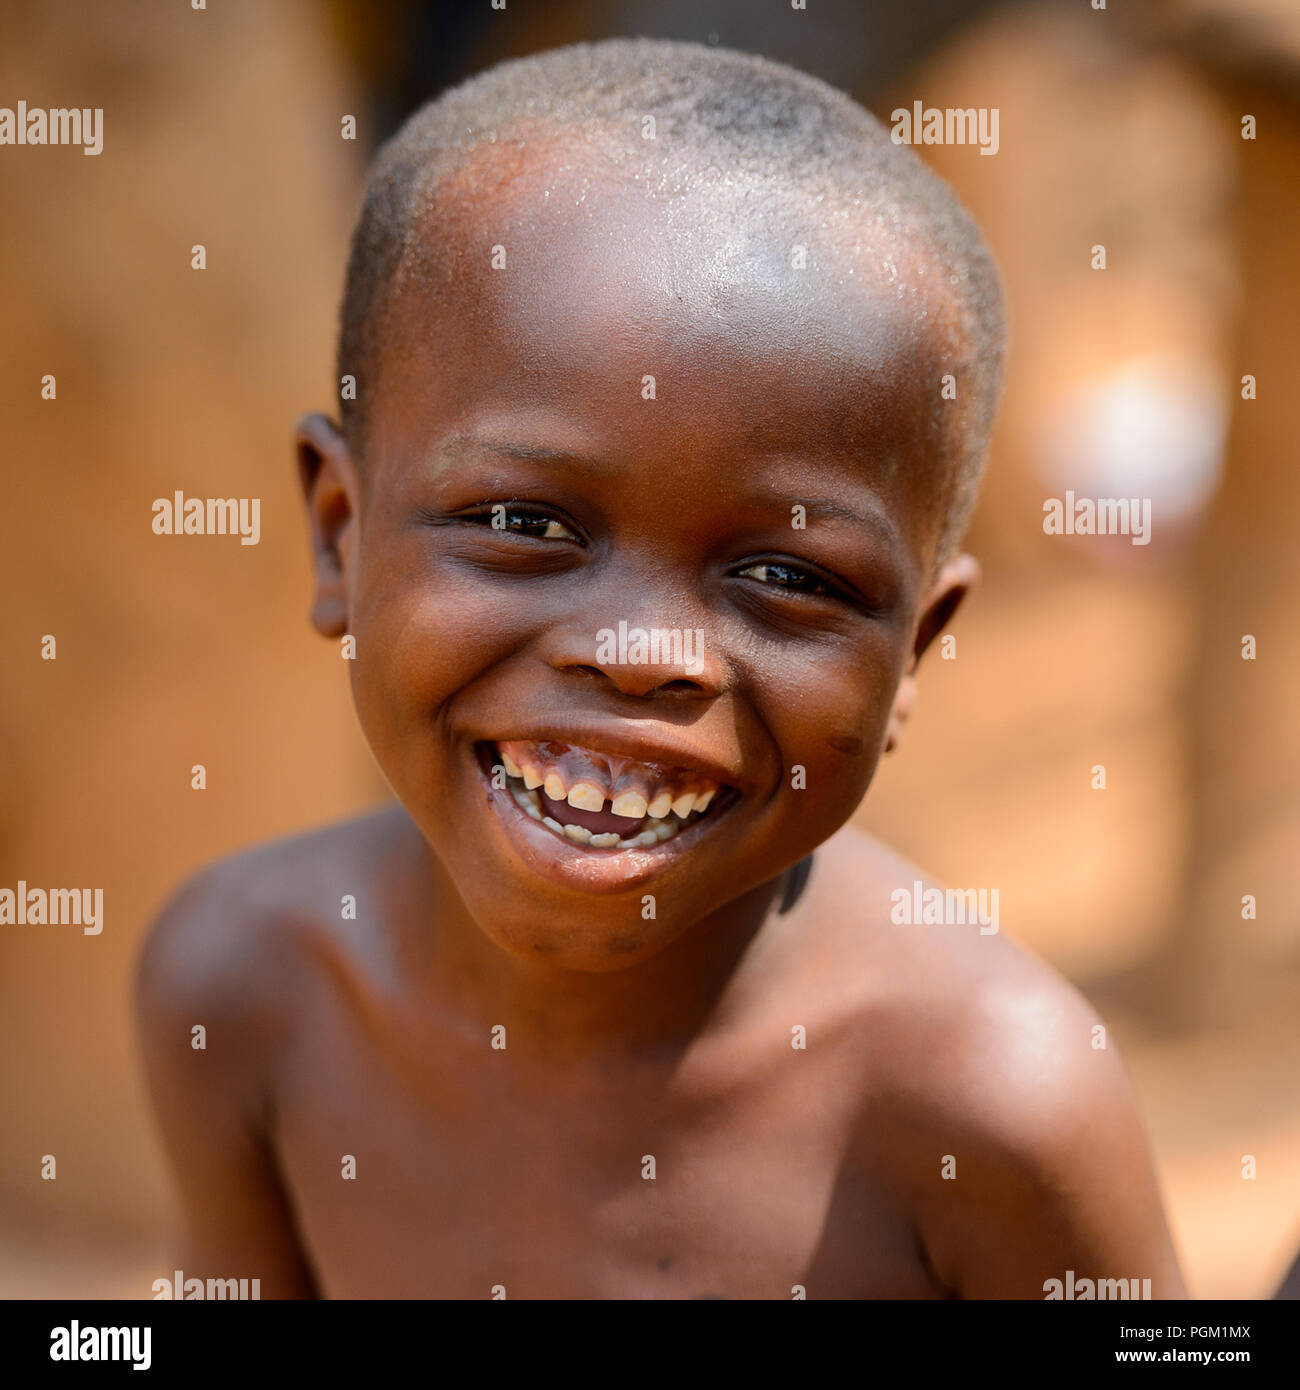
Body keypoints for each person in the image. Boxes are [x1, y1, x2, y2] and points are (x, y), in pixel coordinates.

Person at [136, 38, 1186, 1299]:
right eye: (526, 525)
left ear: (912, 653)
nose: (645, 658)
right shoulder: (243, 987)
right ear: (338, 534)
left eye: (788, 578)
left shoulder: (988, 1105)